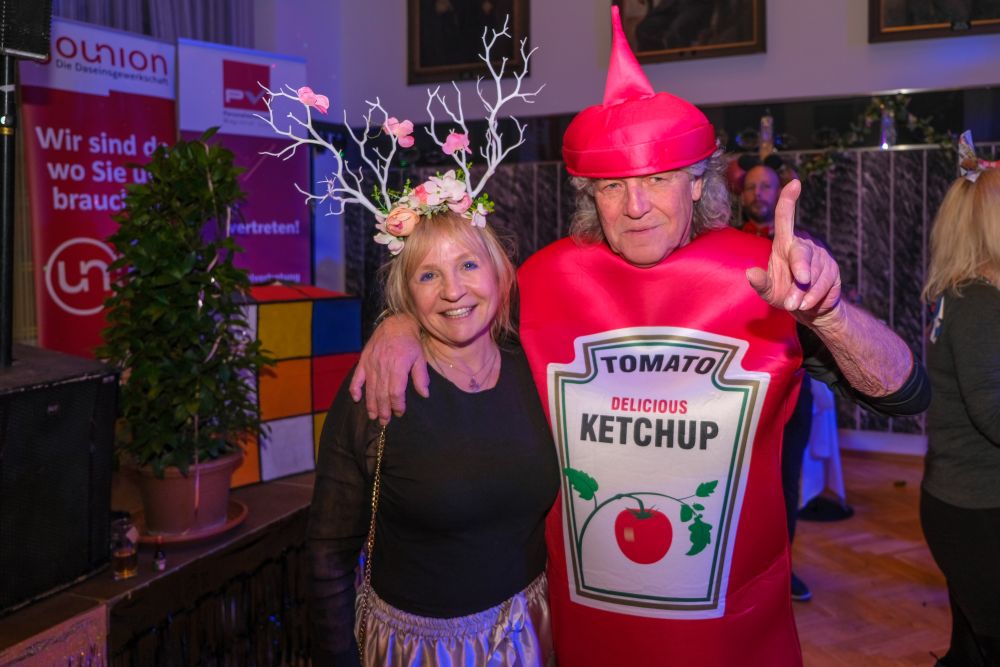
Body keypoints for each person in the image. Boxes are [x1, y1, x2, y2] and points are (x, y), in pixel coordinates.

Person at [351, 8, 929, 665]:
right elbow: (456, 308)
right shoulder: (543, 281)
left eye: (656, 179)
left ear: (697, 183)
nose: (635, 206)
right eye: (613, 186)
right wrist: (400, 322)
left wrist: (828, 312)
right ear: (588, 195)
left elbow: (905, 393)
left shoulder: (765, 279)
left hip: (732, 633)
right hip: (588, 633)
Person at [309, 210, 559, 666]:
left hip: (531, 636)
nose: (452, 290)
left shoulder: (535, 365)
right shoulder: (381, 387)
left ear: (500, 271)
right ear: (407, 295)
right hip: (420, 652)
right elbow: (328, 553)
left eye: (468, 264)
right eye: (428, 275)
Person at [920, 132, 1000, 667]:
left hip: (963, 503)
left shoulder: (964, 293)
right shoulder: (979, 302)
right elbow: (991, 411)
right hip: (977, 510)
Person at [739, 160, 814, 602]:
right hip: (738, 391)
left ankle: (783, 569)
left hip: (790, 386)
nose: (758, 193)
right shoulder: (725, 243)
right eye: (751, 186)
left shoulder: (804, 244)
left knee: (785, 481)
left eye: (766, 186)